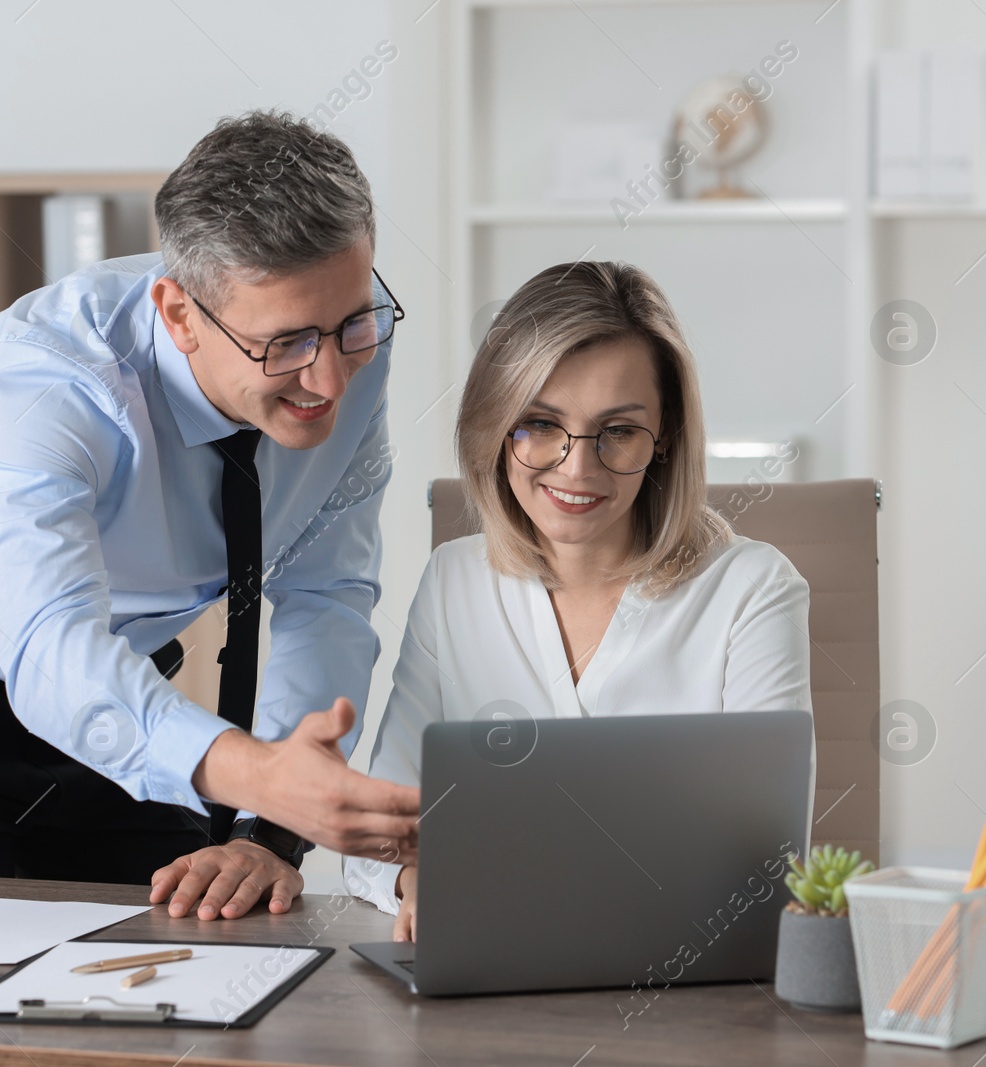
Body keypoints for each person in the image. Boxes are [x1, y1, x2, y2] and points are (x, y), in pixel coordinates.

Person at [0, 111, 419, 922]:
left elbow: (327, 591)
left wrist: (270, 827)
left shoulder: (354, 340)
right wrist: (254, 771)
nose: (330, 379)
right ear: (179, 314)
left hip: (108, 669)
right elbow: (52, 650)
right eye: (287, 344)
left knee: (177, 938)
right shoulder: (44, 383)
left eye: (352, 324)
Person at [345, 261, 813, 941]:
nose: (577, 467)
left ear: (666, 439)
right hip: (489, 979)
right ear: (495, 426)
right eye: (539, 422)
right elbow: (378, 832)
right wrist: (418, 880)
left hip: (682, 987)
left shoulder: (752, 591)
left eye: (618, 430)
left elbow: (768, 864)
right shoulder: (455, 581)